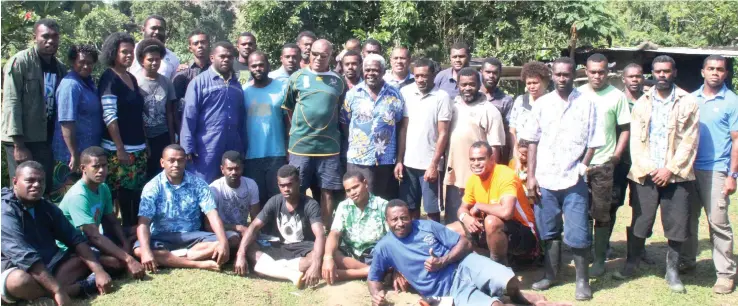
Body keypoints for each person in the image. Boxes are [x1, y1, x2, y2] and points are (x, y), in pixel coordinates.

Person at [368, 199, 561, 306]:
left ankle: (519, 298)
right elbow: (373, 277)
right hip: (448, 290)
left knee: (509, 280)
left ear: (411, 217)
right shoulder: (385, 247)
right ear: (387, 221)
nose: (400, 223)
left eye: (404, 218)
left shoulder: (426, 226)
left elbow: (465, 243)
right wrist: (376, 295)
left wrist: (443, 260)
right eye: (395, 220)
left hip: (464, 265)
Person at [613, 56, 699, 294]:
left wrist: (669, 169)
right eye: (658, 71)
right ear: (653, 73)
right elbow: (636, 145)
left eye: (666, 71)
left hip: (677, 175)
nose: (662, 75)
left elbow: (690, 141)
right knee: (641, 220)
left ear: (674, 73)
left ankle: (672, 270)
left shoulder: (688, 101)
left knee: (677, 223)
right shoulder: (642, 103)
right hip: (646, 174)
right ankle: (632, 263)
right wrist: (652, 169)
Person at [520, 57, 601, 300]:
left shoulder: (587, 104)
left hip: (573, 179)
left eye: (567, 75)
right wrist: (531, 176)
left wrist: (583, 166)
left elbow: (594, 141)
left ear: (574, 76)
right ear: (551, 76)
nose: (562, 79)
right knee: (549, 230)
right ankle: (551, 275)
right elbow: (532, 141)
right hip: (545, 178)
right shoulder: (542, 104)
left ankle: (582, 281)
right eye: (558, 75)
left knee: (578, 232)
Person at [1, 161, 112, 304]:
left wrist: (98, 271)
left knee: (93, 259)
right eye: (30, 180)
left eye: (40, 181)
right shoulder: (5, 211)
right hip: (16, 268)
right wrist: (57, 290)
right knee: (19, 281)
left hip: (50, 263)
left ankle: (41, 295)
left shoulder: (45, 206)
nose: (36, 185)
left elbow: (75, 239)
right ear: (15, 182)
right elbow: (23, 255)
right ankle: (75, 289)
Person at [682, 55, 737, 294]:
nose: (715, 72)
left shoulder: (732, 101)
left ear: (725, 74)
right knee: (687, 218)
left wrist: (732, 175)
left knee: (718, 222)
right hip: (688, 168)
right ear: (702, 71)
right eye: (711, 68)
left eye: (720, 69)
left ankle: (725, 274)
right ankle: (687, 260)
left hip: (716, 169)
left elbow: (737, 141)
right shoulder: (690, 99)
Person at [134, 145, 236, 272]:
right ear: (162, 162)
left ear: (186, 161)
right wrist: (145, 251)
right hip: (161, 237)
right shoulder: (152, 187)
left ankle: (172, 258)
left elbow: (213, 215)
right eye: (171, 160)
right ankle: (197, 263)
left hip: (193, 238)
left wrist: (223, 243)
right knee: (139, 250)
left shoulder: (199, 184)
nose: (176, 164)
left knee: (232, 238)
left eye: (180, 160)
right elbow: (143, 223)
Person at [576, 53, 631, 277]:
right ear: (586, 72)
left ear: (608, 72)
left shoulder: (617, 96)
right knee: (580, 211)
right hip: (580, 164)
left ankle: (599, 259)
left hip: (604, 164)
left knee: (602, 213)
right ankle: (584, 254)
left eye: (601, 71)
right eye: (593, 71)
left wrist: (616, 156)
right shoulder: (577, 94)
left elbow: (625, 128)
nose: (597, 76)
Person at [283, 39, 345, 226]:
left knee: (327, 191)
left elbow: (339, 109)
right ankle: (297, 229)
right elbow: (289, 109)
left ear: (330, 56)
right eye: (314, 54)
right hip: (300, 146)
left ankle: (325, 232)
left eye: (323, 55)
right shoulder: (296, 78)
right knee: (296, 190)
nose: (318, 58)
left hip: (329, 147)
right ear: (309, 54)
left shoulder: (337, 80)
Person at [57, 147, 145, 279]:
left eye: (104, 166)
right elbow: (93, 236)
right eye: (96, 167)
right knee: (115, 263)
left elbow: (112, 221)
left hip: (95, 240)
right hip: (76, 247)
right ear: (83, 168)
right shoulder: (79, 196)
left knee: (139, 230)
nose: (101, 171)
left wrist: (124, 243)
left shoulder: (103, 187)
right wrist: (128, 259)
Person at [232, 165, 326, 289]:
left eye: (289, 184)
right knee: (250, 248)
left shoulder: (310, 204)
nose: (286, 189)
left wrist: (316, 264)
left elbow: (320, 235)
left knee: (315, 257)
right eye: (282, 186)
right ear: (278, 185)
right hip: (279, 246)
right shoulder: (275, 201)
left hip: (303, 249)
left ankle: (267, 269)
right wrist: (240, 254)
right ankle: (290, 274)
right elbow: (254, 226)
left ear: (299, 182)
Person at [2, 18, 66, 196]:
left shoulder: (59, 68)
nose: (50, 40)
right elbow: (11, 102)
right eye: (45, 36)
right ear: (34, 37)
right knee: (22, 189)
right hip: (23, 139)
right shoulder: (20, 62)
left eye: (55, 36)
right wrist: (19, 145)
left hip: (45, 139)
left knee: (41, 189)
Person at [447, 142, 537, 266]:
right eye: (472, 159)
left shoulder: (505, 174)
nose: (476, 163)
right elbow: (462, 208)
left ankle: (499, 267)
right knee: (449, 230)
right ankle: (476, 263)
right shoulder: (473, 179)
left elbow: (507, 213)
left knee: (491, 222)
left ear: (492, 158)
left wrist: (479, 205)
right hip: (497, 231)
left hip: (525, 234)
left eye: (481, 159)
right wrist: (465, 217)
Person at [99, 32, 148, 231]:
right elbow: (109, 115)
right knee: (118, 194)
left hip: (138, 148)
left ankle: (133, 233)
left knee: (135, 194)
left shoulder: (131, 78)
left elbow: (138, 114)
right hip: (118, 149)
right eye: (123, 52)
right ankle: (114, 236)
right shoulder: (109, 78)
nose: (128, 56)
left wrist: (146, 144)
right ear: (113, 53)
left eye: (131, 52)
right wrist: (120, 148)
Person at [444, 67, 505, 224]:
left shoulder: (489, 111)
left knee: (477, 219)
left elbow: (495, 147)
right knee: (454, 217)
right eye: (463, 85)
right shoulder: (452, 106)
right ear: (458, 85)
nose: (467, 88)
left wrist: (492, 178)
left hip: (478, 175)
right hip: (454, 174)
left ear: (479, 85)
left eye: (471, 84)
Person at [341, 53, 406, 201]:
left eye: (375, 70)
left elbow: (400, 126)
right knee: (357, 201)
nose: (371, 73)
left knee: (383, 202)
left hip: (386, 160)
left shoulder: (395, 94)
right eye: (367, 70)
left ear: (383, 71)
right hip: (358, 159)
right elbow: (344, 122)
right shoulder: (352, 94)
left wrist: (399, 159)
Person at [180, 41, 245, 183]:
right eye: (222, 56)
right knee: (204, 187)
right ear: (212, 58)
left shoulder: (237, 85)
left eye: (229, 57)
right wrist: (187, 147)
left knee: (229, 188)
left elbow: (242, 120)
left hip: (232, 147)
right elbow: (189, 116)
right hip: (206, 149)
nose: (226, 59)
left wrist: (242, 146)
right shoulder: (198, 83)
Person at [399, 58, 452, 222]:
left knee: (432, 211)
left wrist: (434, 164)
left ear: (433, 75)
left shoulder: (442, 97)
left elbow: (443, 133)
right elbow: (403, 129)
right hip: (408, 164)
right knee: (410, 208)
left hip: (429, 164)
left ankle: (434, 244)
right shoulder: (406, 92)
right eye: (417, 76)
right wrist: (399, 160)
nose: (420, 79)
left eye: (424, 76)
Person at [50, 44, 102, 203]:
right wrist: (74, 154)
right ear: (73, 62)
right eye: (81, 62)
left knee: (85, 201)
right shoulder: (70, 84)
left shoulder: (88, 83)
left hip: (87, 154)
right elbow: (66, 122)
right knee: (67, 202)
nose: (86, 66)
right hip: (70, 157)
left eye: (90, 62)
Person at [322, 171, 388, 284]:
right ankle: (370, 272)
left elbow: (393, 237)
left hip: (374, 255)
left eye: (355, 187)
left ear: (365, 183)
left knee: (384, 253)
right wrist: (328, 258)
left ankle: (366, 271)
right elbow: (334, 233)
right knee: (331, 253)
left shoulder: (382, 205)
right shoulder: (343, 206)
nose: (352, 193)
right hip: (351, 255)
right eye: (348, 190)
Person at [243, 51, 289, 204]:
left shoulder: (282, 88)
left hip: (277, 152)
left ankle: (277, 228)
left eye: (261, 65)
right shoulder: (244, 91)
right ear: (248, 68)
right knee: (257, 199)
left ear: (268, 66)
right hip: (251, 154)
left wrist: (289, 148)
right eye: (254, 66)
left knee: (278, 198)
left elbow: (289, 120)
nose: (258, 68)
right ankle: (260, 229)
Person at [134, 38, 177, 180]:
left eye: (157, 60)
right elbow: (136, 113)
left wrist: (171, 140)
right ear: (142, 61)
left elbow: (170, 112)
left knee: (162, 175)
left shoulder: (166, 82)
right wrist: (144, 139)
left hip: (162, 135)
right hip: (142, 136)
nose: (154, 63)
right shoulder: (135, 82)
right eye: (150, 59)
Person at [208, 151, 260, 236]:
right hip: (221, 231)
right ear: (222, 169)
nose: (234, 172)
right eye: (230, 169)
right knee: (234, 239)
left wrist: (251, 232)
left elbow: (255, 218)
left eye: (237, 168)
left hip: (244, 231)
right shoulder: (214, 189)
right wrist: (236, 228)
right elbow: (208, 225)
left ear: (242, 168)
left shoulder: (251, 185)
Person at [172, 29, 211, 135]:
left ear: (209, 44)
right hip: (190, 128)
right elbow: (175, 106)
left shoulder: (217, 71)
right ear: (190, 48)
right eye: (196, 43)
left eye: (203, 42)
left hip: (213, 128)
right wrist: (180, 131)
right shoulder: (183, 74)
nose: (200, 46)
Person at [509, 61, 550, 155]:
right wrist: (516, 155)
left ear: (544, 82)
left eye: (535, 83)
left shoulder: (551, 102)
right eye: (529, 83)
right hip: (520, 155)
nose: (531, 86)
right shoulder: (520, 101)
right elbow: (512, 130)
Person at [481, 57, 514, 164]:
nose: (491, 76)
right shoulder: (472, 96)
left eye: (495, 73)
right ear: (481, 72)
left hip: (495, 155)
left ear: (500, 74)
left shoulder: (506, 100)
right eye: (488, 72)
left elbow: (509, 131)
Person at [129, 15, 180, 80]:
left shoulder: (172, 58)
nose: (157, 32)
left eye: (161, 29)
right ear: (143, 30)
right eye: (153, 28)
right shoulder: (131, 52)